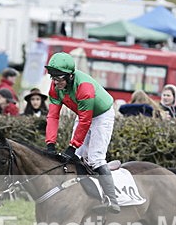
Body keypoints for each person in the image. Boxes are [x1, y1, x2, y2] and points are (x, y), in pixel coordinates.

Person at [44, 51, 120, 214]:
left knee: (95, 158)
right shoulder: (55, 86)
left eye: (58, 78)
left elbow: (86, 121)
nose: (55, 82)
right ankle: (82, 197)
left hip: (101, 115)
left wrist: (71, 147)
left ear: (70, 76)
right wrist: (50, 143)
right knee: (77, 157)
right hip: (83, 113)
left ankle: (112, 199)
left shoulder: (84, 87)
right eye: (53, 77)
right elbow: (52, 116)